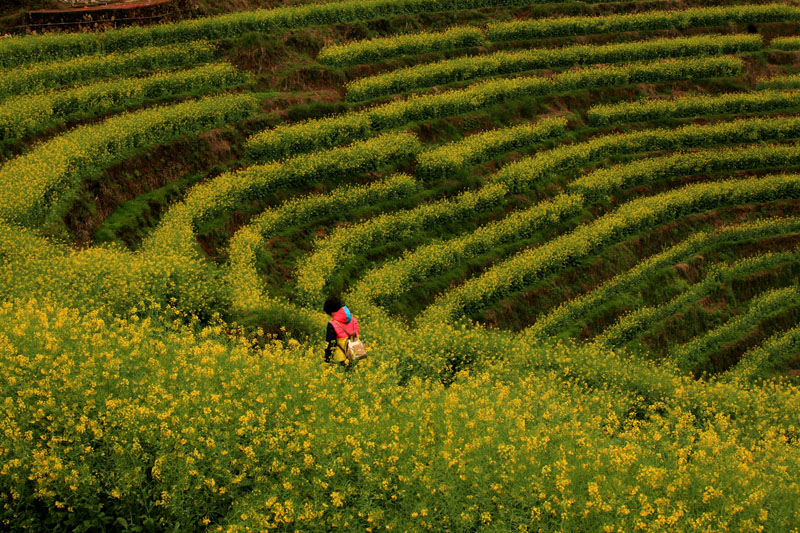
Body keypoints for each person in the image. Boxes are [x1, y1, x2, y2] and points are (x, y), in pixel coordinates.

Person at [323, 296, 360, 366]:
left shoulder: (332, 324)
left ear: (331, 312)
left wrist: (326, 361)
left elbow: (330, 345)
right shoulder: (353, 320)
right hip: (355, 357)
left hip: (340, 360)